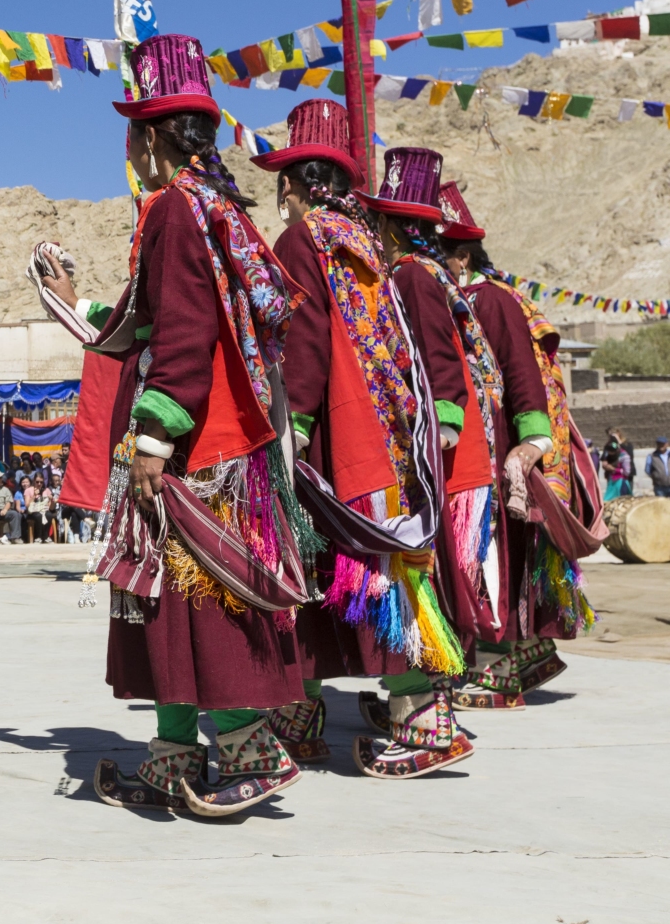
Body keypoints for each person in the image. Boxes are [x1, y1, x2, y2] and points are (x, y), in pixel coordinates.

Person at [42, 33, 304, 818]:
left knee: (199, 607)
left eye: (132, 132)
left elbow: (184, 333)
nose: (129, 146)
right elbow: (145, 319)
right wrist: (72, 297)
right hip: (221, 439)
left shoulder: (176, 210)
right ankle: (170, 758)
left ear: (152, 137)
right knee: (162, 607)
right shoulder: (216, 208)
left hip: (198, 449)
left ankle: (253, 751)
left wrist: (155, 438)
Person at [252, 115, 472, 778]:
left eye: (282, 187)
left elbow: (305, 340)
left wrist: (289, 431)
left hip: (336, 434)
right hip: (391, 438)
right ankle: (308, 711)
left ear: (291, 184)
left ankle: (414, 720)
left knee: (331, 570)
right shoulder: (369, 246)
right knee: (379, 570)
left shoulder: (302, 239)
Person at [439, 183, 596, 708]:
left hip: (500, 448)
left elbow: (522, 376)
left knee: (494, 551)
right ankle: (523, 652)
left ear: (461, 256)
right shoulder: (465, 297)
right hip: (480, 446)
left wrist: (529, 444)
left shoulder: (491, 299)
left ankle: (501, 668)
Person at [601, 428, 633, 501]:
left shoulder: (624, 456)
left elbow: (627, 472)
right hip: (612, 481)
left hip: (621, 482)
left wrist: (614, 469)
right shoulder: (609, 454)